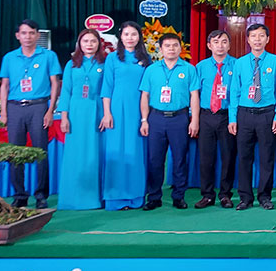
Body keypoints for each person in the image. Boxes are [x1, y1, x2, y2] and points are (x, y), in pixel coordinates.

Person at [0, 19, 61, 209]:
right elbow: (4, 86)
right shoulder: (9, 57)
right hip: (15, 107)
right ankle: (20, 195)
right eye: (24, 33)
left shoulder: (48, 56)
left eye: (32, 33)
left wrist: (50, 110)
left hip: (38, 107)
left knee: (40, 152)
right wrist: (4, 112)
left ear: (37, 35)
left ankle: (41, 195)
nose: (28, 37)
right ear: (18, 36)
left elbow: (55, 83)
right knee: (15, 153)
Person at [138, 33, 200, 210]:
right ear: (160, 48)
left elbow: (194, 96)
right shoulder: (151, 70)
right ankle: (154, 197)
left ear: (180, 48)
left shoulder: (189, 69)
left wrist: (194, 120)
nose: (171, 49)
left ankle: (179, 196)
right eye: (167, 46)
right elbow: (145, 96)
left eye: (175, 45)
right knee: (154, 159)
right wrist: (144, 120)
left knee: (180, 159)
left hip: (179, 118)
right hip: (156, 118)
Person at [229, 24, 276, 210]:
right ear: (248, 40)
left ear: (267, 39)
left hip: (267, 114)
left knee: (267, 158)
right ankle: (245, 197)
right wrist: (233, 118)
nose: (257, 40)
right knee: (244, 158)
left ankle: (265, 197)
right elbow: (234, 91)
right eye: (253, 36)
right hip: (245, 114)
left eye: (261, 36)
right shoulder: (240, 63)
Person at [100, 21, 150, 210]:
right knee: (116, 150)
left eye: (134, 34)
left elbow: (149, 88)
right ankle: (115, 198)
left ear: (139, 37)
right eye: (126, 34)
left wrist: (146, 117)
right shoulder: (112, 58)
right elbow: (107, 87)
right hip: (117, 109)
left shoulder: (146, 59)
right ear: (120, 37)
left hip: (139, 110)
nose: (130, 38)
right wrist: (107, 113)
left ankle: (136, 197)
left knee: (136, 151)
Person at [57, 29, 107, 210]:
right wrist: (64, 117)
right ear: (79, 43)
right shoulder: (71, 64)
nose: (89, 44)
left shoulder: (105, 63)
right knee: (75, 154)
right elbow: (66, 91)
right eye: (85, 41)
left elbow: (108, 90)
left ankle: (95, 198)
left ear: (99, 43)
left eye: (93, 41)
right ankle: (72, 197)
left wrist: (106, 114)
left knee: (95, 153)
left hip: (97, 112)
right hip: (76, 113)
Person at [194, 30, 238, 209]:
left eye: (224, 42)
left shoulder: (236, 65)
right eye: (216, 42)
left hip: (227, 116)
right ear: (209, 45)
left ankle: (225, 195)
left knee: (228, 157)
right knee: (206, 158)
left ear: (229, 45)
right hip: (206, 115)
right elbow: (194, 94)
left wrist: (234, 118)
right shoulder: (201, 67)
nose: (220, 46)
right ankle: (207, 195)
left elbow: (238, 93)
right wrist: (194, 118)